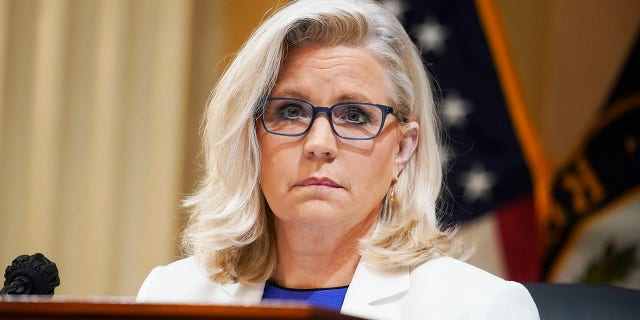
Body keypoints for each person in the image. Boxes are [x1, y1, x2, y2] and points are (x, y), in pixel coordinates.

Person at [136, 0, 539, 319]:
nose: (319, 143)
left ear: (403, 148)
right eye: (291, 111)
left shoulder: (480, 309)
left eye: (355, 116)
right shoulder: (169, 295)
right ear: (250, 136)